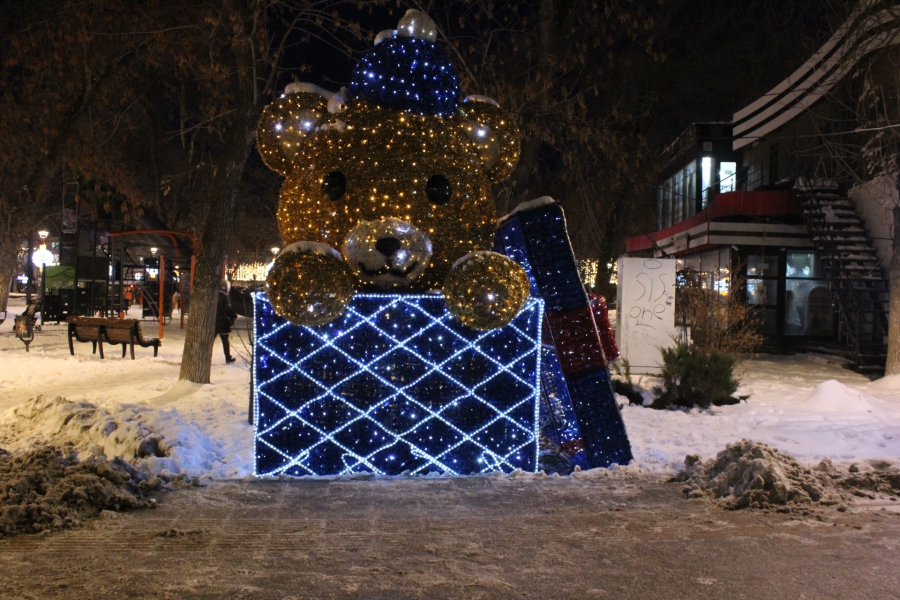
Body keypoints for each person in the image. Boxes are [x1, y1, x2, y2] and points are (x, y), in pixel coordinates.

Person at [216, 280, 238, 364]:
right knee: (225, 341)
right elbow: (227, 308)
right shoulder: (224, 297)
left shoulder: (213, 296)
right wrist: (233, 315)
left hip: (213, 322)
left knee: (210, 341)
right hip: (223, 321)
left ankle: (206, 357)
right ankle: (228, 357)